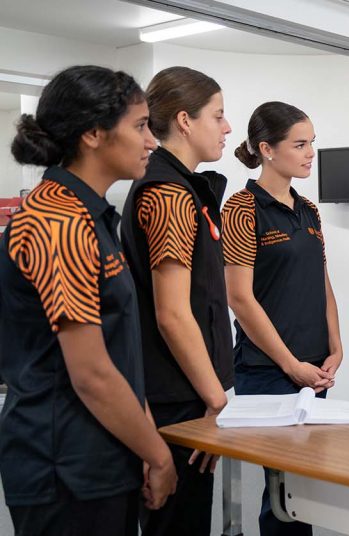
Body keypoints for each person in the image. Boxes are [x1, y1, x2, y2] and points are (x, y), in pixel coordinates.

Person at [0, 65, 176, 536]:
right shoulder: (58, 221)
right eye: (140, 126)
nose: (152, 142)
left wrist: (141, 443)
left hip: (102, 455)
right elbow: (92, 374)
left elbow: (117, 356)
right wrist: (158, 455)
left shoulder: (91, 217)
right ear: (94, 133)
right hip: (65, 467)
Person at [119, 66, 234, 536]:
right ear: (185, 121)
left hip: (188, 392)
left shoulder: (185, 187)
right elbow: (171, 313)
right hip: (177, 399)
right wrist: (214, 400)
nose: (228, 127)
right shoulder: (168, 193)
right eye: (219, 115)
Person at [222, 101, 342, 536]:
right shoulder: (241, 209)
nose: (311, 152)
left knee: (304, 490)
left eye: (312, 143)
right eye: (300, 144)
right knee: (279, 496)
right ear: (267, 149)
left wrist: (336, 347)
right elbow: (240, 298)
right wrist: (291, 366)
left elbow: (321, 282)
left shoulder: (308, 210)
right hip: (270, 372)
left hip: (315, 367)